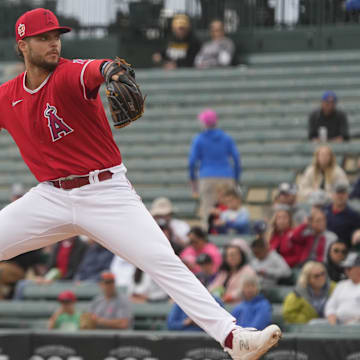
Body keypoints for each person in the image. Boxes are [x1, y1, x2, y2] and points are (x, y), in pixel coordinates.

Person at [0, 8, 280, 358]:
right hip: (50, 196)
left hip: (105, 191)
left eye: (57, 36)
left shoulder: (69, 74)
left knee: (162, 260)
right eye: (44, 38)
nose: (54, 43)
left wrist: (112, 70)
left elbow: (98, 68)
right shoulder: (7, 95)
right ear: (22, 44)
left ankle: (233, 338)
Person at [188, 109, 241, 229]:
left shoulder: (199, 139)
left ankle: (208, 239)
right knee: (229, 210)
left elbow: (192, 162)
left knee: (208, 212)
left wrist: (193, 180)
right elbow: (237, 159)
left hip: (207, 178)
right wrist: (236, 179)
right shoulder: (226, 138)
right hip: (226, 177)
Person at [325, 252, 360, 325]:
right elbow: (330, 306)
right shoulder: (341, 285)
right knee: (314, 323)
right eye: (345, 268)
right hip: (337, 323)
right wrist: (333, 322)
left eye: (349, 268)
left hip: (356, 326)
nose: (346, 271)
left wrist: (354, 322)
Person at [324, 182, 360, 248]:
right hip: (323, 248)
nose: (340, 196)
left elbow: (357, 230)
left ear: (347, 195)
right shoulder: (324, 211)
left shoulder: (354, 215)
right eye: (338, 193)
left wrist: (357, 232)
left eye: (343, 193)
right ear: (332, 195)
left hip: (342, 250)